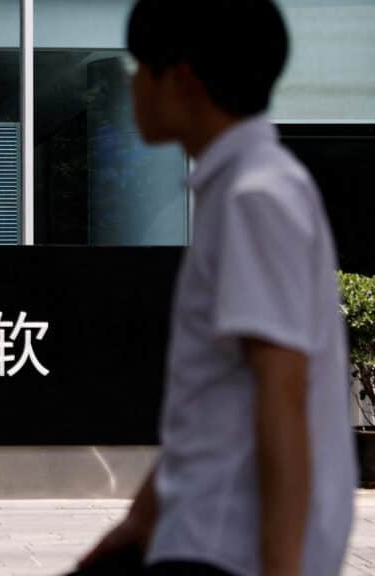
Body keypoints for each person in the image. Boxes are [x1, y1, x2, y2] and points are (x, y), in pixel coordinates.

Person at [73, 1, 356, 575]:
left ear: (181, 80)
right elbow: (213, 407)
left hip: (226, 548)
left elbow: (282, 390)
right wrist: (138, 523)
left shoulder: (255, 197)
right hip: (199, 533)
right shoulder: (246, 189)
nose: (131, 87)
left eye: (140, 68)